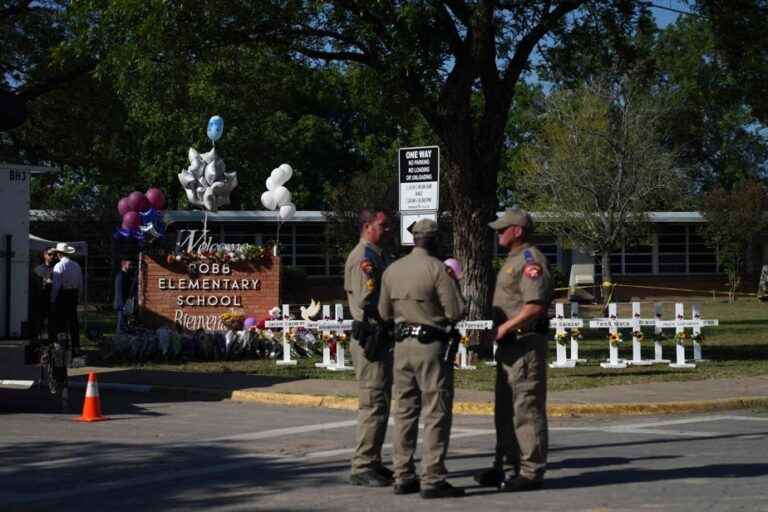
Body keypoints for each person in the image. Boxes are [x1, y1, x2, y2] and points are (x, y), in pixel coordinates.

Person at [378, 219, 466, 499]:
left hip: (402, 346)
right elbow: (455, 311)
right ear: (435, 240)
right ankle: (433, 478)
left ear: (413, 239)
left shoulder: (392, 270)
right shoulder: (438, 269)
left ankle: (403, 475)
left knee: (404, 412)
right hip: (430, 347)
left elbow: (384, 313)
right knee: (435, 412)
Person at [475, 207, 552, 492]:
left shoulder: (531, 261)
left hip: (524, 345)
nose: (498, 233)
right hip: (508, 347)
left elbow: (535, 306)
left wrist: (506, 328)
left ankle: (531, 472)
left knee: (526, 409)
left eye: (502, 229)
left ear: (517, 231)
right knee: (505, 409)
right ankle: (505, 467)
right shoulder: (513, 260)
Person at [344, 209, 394, 487]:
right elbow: (367, 300)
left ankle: (373, 460)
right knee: (372, 403)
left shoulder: (376, 254)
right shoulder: (364, 257)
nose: (388, 230)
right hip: (370, 337)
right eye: (383, 225)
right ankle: (362, 465)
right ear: (367, 226)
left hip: (380, 336)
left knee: (381, 402)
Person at [50, 243, 83, 357]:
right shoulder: (76, 265)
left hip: (63, 295)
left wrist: (53, 300)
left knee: (61, 324)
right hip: (73, 295)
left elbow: (56, 286)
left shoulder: (59, 266)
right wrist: (78, 296)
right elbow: (80, 284)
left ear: (59, 254)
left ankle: (63, 348)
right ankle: (76, 348)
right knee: (73, 323)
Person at [32, 248, 57, 340]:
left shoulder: (57, 269)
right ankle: (39, 341)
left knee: (53, 323)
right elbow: (34, 286)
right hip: (41, 300)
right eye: (50, 254)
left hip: (53, 300)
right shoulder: (38, 269)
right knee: (39, 322)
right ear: (44, 255)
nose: (52, 256)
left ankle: (52, 341)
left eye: (54, 255)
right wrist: (43, 282)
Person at [114, 258, 135, 333]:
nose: (131, 267)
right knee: (121, 324)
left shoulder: (125, 275)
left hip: (124, 303)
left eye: (131, 265)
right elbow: (119, 291)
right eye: (129, 265)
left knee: (124, 323)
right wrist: (123, 305)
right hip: (121, 304)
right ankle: (119, 340)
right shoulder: (121, 276)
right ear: (123, 265)